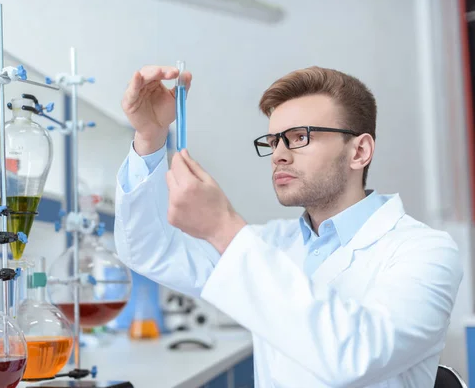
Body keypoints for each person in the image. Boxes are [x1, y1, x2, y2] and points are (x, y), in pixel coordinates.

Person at [113, 65, 463, 387]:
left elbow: (355, 356)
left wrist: (223, 227)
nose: (279, 154)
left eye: (300, 137)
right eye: (273, 141)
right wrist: (149, 136)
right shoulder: (270, 243)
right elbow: (150, 249)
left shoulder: (425, 251)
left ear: (359, 152)